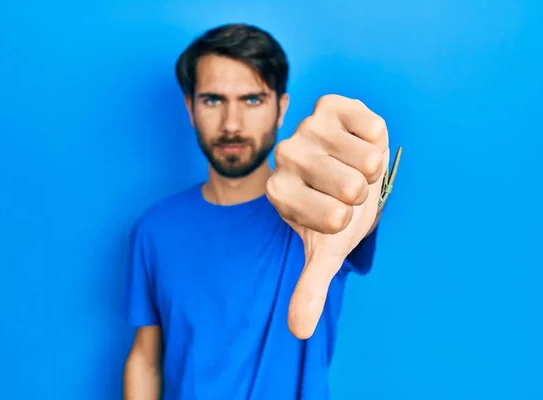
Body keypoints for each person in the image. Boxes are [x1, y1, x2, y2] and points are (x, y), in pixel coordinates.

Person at [122, 23, 399, 400]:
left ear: (281, 108)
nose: (231, 124)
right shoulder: (154, 231)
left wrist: (363, 190)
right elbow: (146, 357)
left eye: (252, 99)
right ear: (189, 107)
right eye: (213, 100)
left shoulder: (317, 217)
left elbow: (355, 220)